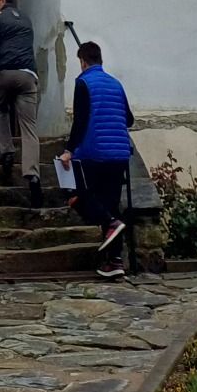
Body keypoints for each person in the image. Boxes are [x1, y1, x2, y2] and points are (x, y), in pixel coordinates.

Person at [58, 40, 135, 279]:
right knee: (111, 205)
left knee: (76, 196)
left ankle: (110, 224)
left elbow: (80, 120)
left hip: (94, 151)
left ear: (82, 61)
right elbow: (129, 119)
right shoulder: (116, 84)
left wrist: (69, 150)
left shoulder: (83, 83)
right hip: (119, 153)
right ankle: (115, 261)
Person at [0, 0, 43, 207]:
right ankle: (33, 175)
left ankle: (7, 150)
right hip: (28, 75)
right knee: (29, 126)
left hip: (5, 72)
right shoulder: (26, 18)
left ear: (3, 0)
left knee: (0, 108)